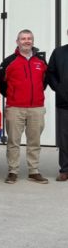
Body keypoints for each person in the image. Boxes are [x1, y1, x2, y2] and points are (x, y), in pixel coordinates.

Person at [0, 29, 48, 184]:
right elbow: (0, 83)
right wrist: (13, 95)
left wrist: (36, 94)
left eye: (29, 38)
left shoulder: (40, 62)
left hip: (36, 108)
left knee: (34, 141)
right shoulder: (9, 61)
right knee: (13, 141)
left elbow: (44, 82)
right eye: (23, 38)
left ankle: (33, 171)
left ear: (33, 41)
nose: (26, 41)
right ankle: (13, 171)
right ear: (17, 41)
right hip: (15, 108)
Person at [46, 42, 68, 181]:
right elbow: (50, 73)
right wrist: (58, 89)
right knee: (64, 138)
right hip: (64, 103)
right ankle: (65, 170)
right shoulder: (58, 52)